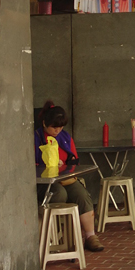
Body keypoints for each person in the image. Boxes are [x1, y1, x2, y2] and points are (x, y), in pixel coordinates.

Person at [35, 101, 104, 252]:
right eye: (54, 127)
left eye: (61, 127)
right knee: (59, 194)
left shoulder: (65, 138)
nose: (57, 130)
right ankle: (58, 235)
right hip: (44, 182)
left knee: (82, 195)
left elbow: (74, 161)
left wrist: (64, 166)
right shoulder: (35, 138)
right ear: (45, 123)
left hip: (64, 178)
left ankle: (91, 236)